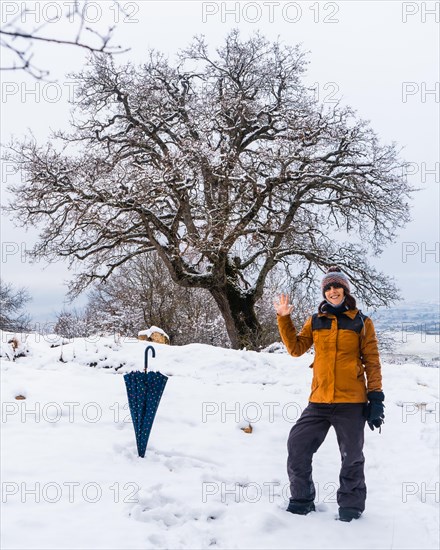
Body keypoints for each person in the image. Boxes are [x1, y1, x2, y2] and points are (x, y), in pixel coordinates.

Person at [273, 266, 385, 522]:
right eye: (328, 288)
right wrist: (283, 318)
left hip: (351, 402)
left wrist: (376, 398)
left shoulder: (362, 322)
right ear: (324, 292)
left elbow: (372, 362)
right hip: (319, 401)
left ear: (345, 290)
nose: (333, 291)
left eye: (337, 287)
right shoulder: (315, 320)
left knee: (352, 456)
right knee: (297, 445)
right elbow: (296, 348)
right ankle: (301, 500)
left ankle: (351, 506)